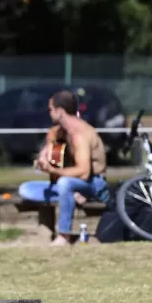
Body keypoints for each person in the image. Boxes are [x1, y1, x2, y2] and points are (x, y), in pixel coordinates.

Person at [17, 89, 108, 247]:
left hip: (94, 184)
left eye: (50, 109)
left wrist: (52, 171)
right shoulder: (65, 130)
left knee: (65, 183)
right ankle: (72, 195)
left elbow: (84, 173)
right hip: (74, 183)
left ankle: (64, 235)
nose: (49, 113)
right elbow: (53, 134)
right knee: (26, 189)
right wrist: (47, 151)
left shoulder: (80, 134)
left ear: (60, 111)